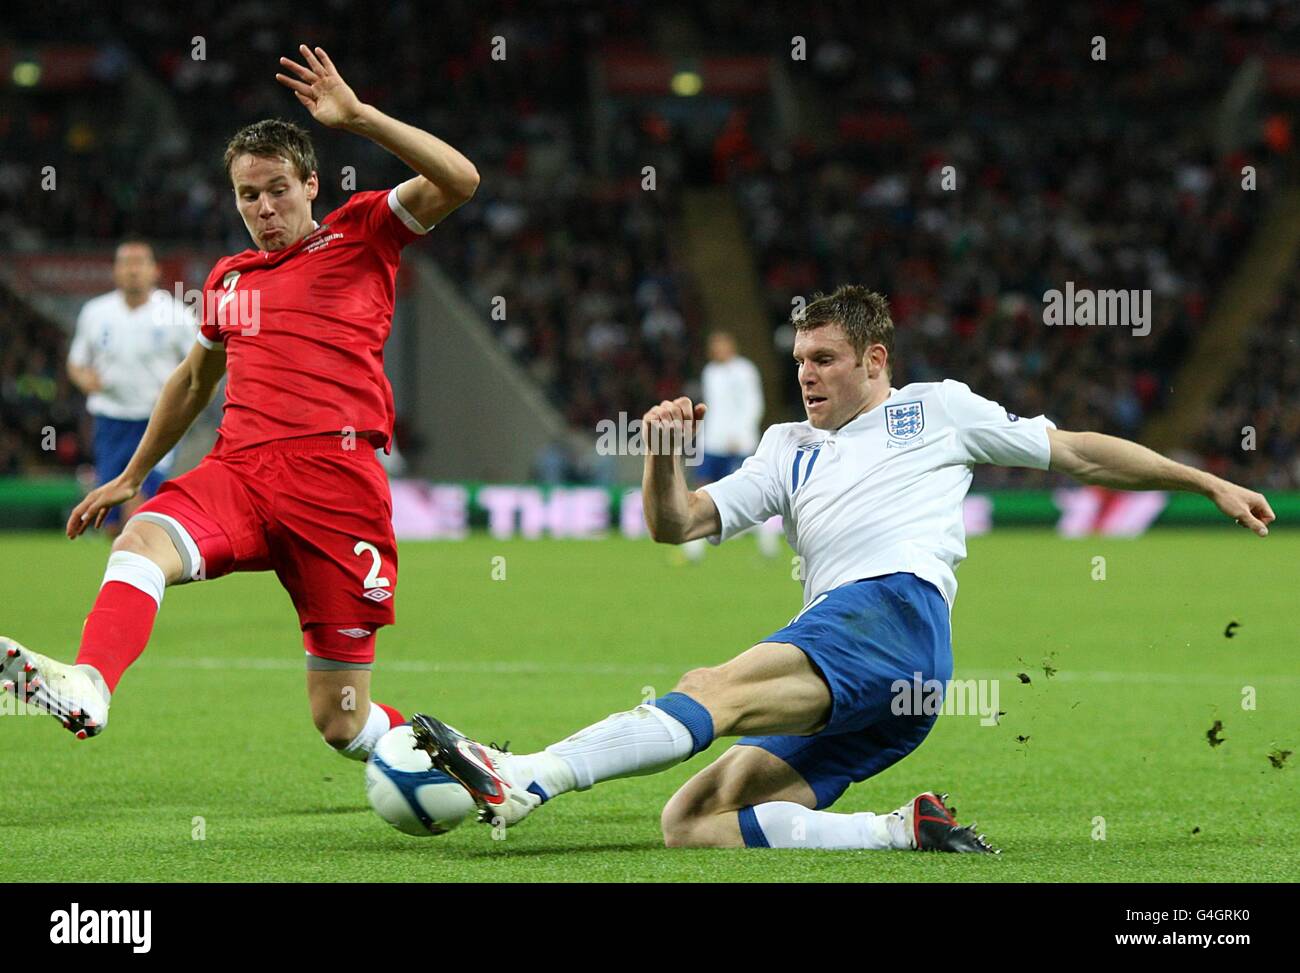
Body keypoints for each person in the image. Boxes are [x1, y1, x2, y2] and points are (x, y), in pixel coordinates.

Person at [409, 285, 1275, 852]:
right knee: (692, 822)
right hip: (883, 683)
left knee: (713, 684)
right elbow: (679, 525)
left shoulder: (939, 411)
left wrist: (1202, 479)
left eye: (824, 360)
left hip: (890, 617)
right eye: (799, 361)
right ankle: (904, 830)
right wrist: (662, 454)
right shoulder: (787, 448)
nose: (807, 375)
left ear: (874, 360)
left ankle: (527, 777)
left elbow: (1077, 451)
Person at [1, 46, 479, 766]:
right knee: (141, 540)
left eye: (278, 189)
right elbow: (194, 380)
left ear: (311, 184)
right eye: (247, 195)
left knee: (341, 722)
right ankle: (90, 683)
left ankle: (454, 757)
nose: (264, 207)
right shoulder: (230, 280)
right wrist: (133, 476)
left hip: (336, 486)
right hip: (241, 474)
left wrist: (360, 118)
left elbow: (461, 179)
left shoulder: (362, 233)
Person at [66, 240, 196, 537]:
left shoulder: (175, 313)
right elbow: (76, 362)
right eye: (126, 263)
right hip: (110, 421)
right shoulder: (95, 312)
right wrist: (84, 379)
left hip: (158, 420)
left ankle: (139, 567)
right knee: (109, 516)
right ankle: (122, 566)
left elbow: (200, 363)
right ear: (115, 271)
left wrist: (185, 402)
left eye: (140, 263)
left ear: (155, 271)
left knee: (143, 503)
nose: (133, 270)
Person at [682, 330, 777, 561]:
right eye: (713, 346)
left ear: (731, 346)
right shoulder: (710, 372)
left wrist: (741, 433)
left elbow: (753, 403)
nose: (716, 350)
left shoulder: (745, 370)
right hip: (712, 442)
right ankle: (693, 548)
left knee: (751, 494)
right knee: (700, 488)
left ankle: (768, 542)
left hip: (738, 442)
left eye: (720, 345)